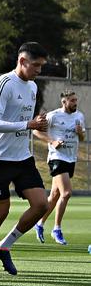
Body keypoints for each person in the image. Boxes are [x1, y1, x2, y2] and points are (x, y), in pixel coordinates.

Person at [0, 42, 49, 277]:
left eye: (41, 66)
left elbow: (23, 119)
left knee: (41, 205)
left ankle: (4, 246)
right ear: (22, 61)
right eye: (35, 65)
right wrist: (28, 124)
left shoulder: (33, 87)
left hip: (22, 157)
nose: (38, 70)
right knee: (0, 211)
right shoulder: (4, 83)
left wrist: (35, 121)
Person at [33, 90, 85, 245]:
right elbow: (36, 131)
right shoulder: (53, 115)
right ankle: (57, 229)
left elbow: (82, 138)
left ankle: (39, 223)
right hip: (57, 157)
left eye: (76, 100)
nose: (75, 103)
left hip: (71, 158)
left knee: (55, 195)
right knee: (66, 193)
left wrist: (80, 133)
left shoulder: (79, 116)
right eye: (72, 101)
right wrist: (52, 141)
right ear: (64, 102)